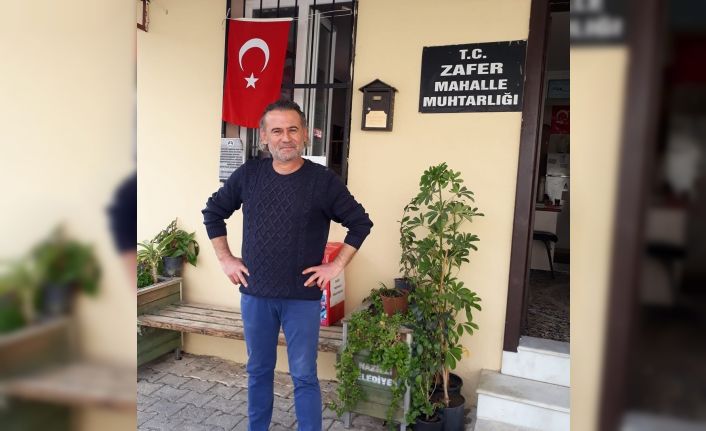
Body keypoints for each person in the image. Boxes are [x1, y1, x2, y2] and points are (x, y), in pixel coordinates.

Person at [202, 99, 373, 431]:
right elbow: (213, 213)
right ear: (264, 136)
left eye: (293, 130)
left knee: (304, 375)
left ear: (305, 134)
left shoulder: (323, 181)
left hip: (301, 298)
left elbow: (360, 224)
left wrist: (335, 266)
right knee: (258, 371)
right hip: (256, 294)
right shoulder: (249, 175)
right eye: (277, 130)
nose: (286, 138)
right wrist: (226, 259)